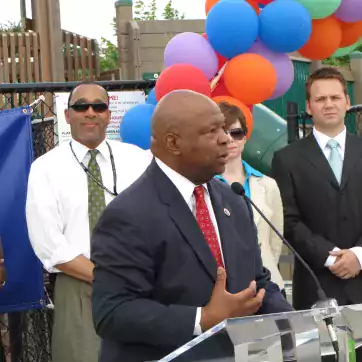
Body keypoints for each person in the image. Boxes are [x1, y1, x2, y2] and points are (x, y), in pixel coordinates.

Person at [91, 90, 293, 362]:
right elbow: (112, 313)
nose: (225, 139)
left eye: (223, 127)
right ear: (174, 143)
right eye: (212, 131)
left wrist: (297, 323)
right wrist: (203, 318)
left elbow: (256, 282)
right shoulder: (128, 214)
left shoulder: (233, 199)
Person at [25, 82, 152, 362]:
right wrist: (106, 277)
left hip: (140, 284)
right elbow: (49, 245)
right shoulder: (45, 168)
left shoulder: (139, 160)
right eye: (81, 106)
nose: (90, 112)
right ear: (68, 115)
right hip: (79, 283)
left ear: (109, 114)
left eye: (99, 106)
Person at [272, 67, 362, 311]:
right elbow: (288, 221)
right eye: (320, 99)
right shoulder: (286, 159)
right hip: (316, 285)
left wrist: (358, 255)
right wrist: (330, 257)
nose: (329, 104)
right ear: (309, 107)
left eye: (335, 97)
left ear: (347, 102)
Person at [215, 102, 285, 293]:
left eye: (236, 133)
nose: (230, 139)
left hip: (267, 286)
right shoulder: (201, 185)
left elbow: (274, 243)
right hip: (222, 290)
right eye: (223, 133)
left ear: (245, 137)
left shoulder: (268, 185)